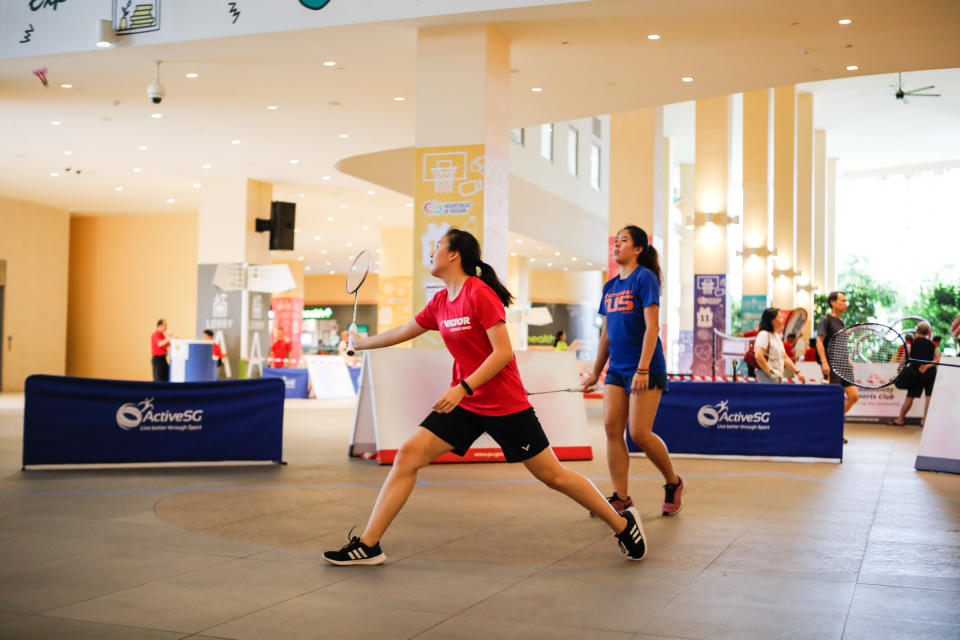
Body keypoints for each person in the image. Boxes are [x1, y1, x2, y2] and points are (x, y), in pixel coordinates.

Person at [322, 228, 648, 566]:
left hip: (504, 405)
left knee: (553, 475)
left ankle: (623, 525)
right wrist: (362, 343)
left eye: (437, 246)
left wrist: (462, 386)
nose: (431, 252)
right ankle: (369, 544)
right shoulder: (440, 302)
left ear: (454, 255)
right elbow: (404, 331)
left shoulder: (479, 293)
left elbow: (503, 353)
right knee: (408, 455)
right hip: (465, 405)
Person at [582, 225, 683, 518]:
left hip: (646, 367)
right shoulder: (610, 286)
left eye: (623, 241)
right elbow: (606, 336)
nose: (617, 245)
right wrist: (595, 372)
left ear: (638, 249)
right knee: (612, 430)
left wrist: (642, 368)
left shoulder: (645, 278)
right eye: (616, 241)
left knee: (639, 432)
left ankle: (673, 482)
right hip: (617, 370)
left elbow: (652, 327)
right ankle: (621, 498)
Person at [815, 291, 859, 442]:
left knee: (854, 397)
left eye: (846, 300)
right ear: (833, 302)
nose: (845, 303)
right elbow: (819, 341)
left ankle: (830, 425)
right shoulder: (826, 320)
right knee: (835, 400)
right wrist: (824, 362)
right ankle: (833, 431)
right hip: (832, 366)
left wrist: (849, 359)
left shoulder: (841, 322)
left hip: (844, 365)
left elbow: (841, 345)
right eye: (842, 300)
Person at [890, 323, 939, 426]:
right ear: (928, 332)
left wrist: (899, 368)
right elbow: (938, 357)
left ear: (916, 330)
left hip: (917, 372)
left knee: (910, 396)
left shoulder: (911, 342)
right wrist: (928, 365)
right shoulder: (933, 344)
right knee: (929, 396)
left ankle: (900, 419)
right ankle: (924, 421)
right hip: (930, 372)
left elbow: (904, 357)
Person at [754, 308, 805, 383]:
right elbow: (758, 356)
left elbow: (785, 357)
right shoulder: (764, 334)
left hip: (777, 376)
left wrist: (797, 372)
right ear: (772, 320)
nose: (782, 319)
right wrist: (770, 372)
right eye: (779, 317)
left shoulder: (776, 336)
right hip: (766, 377)